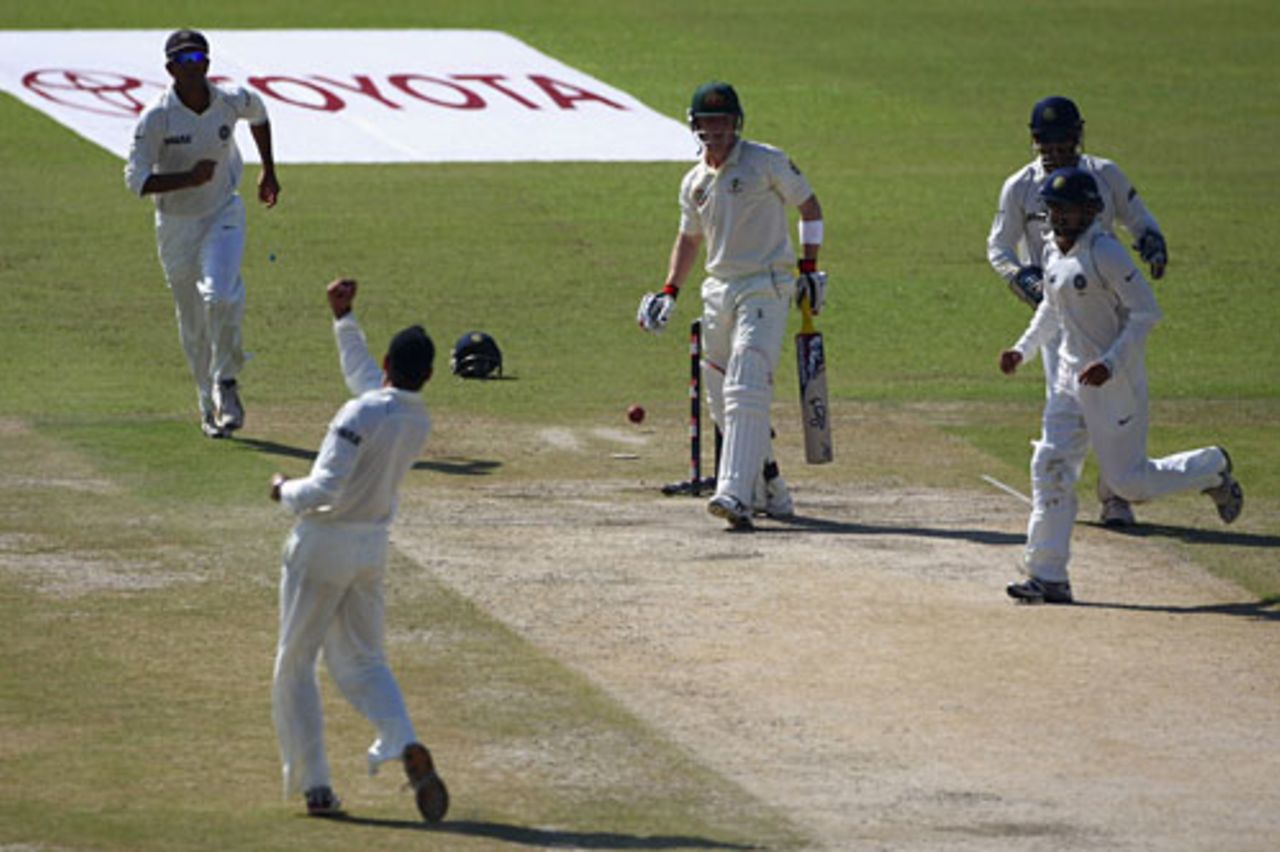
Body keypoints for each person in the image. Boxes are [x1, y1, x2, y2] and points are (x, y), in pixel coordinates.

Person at [999, 168, 1242, 604]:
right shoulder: (1053, 253)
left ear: (1091, 211)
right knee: (1050, 468)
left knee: (1129, 484)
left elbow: (1146, 313)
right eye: (1053, 210)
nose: (1060, 219)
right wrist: (1022, 350)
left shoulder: (1106, 253)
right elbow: (1050, 313)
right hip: (1068, 384)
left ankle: (1212, 467)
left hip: (1114, 385)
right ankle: (1048, 574)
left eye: (1069, 210)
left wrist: (1109, 364)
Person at [268, 278, 448, 821]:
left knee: (295, 665)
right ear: (428, 375)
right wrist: (344, 320)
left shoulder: (358, 414)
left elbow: (322, 491)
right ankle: (403, 739)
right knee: (365, 661)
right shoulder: (416, 419)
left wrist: (282, 492)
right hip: (371, 550)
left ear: (389, 363)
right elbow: (368, 382)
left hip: (323, 544)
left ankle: (316, 786)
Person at [637, 81, 826, 530]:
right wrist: (669, 290)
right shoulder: (694, 181)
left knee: (745, 385)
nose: (716, 130)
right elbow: (689, 238)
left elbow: (810, 207)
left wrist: (809, 267)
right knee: (721, 398)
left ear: (736, 123)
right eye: (707, 122)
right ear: (695, 126)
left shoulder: (766, 161)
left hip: (767, 284)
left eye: (723, 121)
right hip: (718, 289)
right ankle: (772, 486)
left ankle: (734, 494)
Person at [988, 95, 1168, 527]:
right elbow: (998, 247)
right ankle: (1055, 498)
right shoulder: (1020, 186)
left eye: (1064, 142)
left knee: (1113, 403)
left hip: (1112, 311)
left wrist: (1151, 242)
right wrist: (1022, 278)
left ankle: (1114, 496)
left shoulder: (1104, 175)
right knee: (1064, 403)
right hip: (1058, 313)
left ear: (1078, 135)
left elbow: (1138, 217)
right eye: (1046, 144)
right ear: (1034, 141)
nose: (1055, 151)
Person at [124, 29, 280, 438]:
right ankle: (205, 404)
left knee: (221, 294)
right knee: (193, 320)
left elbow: (259, 113)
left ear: (208, 65)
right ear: (170, 68)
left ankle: (226, 381)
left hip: (222, 212)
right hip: (175, 226)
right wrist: (186, 178)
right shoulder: (156, 117)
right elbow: (136, 181)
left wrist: (269, 169)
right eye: (184, 61)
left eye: (199, 60)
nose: (192, 68)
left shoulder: (231, 101)